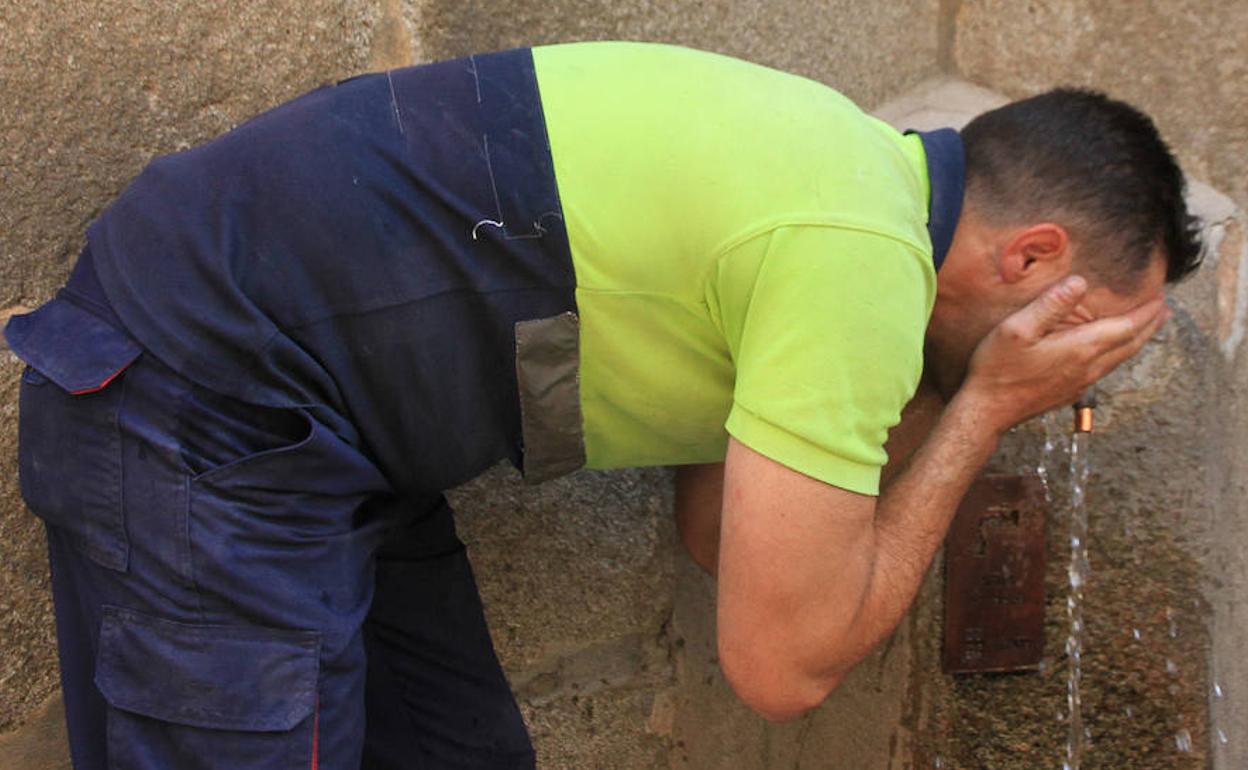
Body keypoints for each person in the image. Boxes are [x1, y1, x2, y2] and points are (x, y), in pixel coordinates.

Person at [6, 41, 1200, 769]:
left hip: (330, 441)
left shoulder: (842, 186)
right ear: (1033, 258)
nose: (1072, 379)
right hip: (203, 404)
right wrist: (987, 408)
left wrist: (957, 395)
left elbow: (729, 539)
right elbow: (782, 668)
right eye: (1086, 335)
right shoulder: (853, 250)